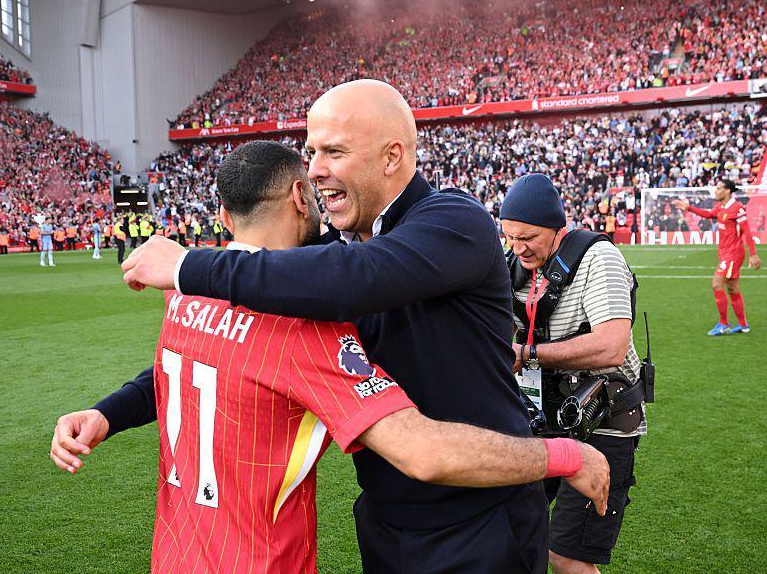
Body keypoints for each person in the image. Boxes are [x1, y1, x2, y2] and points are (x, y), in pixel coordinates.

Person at [53, 141, 609, 573]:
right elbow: (425, 452)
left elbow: (197, 367)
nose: (321, 172)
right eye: (313, 159)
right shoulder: (300, 326)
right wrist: (565, 456)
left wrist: (107, 413)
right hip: (266, 559)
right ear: (301, 196)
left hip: (177, 552)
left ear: (224, 218)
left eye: (333, 151)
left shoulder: (188, 299)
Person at [503, 174, 647, 574]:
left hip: (604, 420)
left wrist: (528, 354)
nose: (518, 247)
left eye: (528, 237)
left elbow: (612, 344)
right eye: (510, 237)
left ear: (557, 228)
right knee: (510, 528)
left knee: (567, 556)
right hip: (543, 417)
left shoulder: (598, 258)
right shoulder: (514, 262)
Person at [672, 179, 762, 335]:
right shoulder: (720, 207)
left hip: (733, 254)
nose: (716, 190)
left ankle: (723, 323)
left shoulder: (738, 209)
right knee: (732, 288)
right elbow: (708, 215)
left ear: (727, 191)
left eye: (719, 188)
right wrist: (689, 208)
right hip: (725, 253)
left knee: (716, 284)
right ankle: (743, 324)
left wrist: (753, 255)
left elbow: (747, 232)